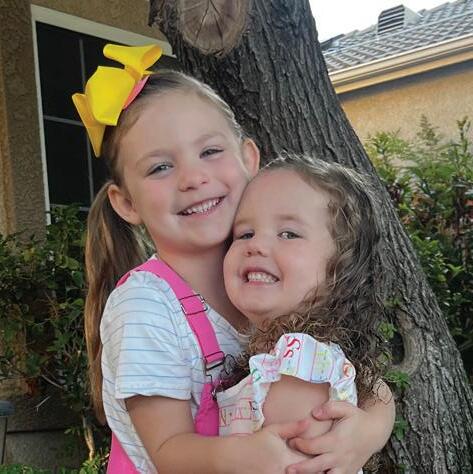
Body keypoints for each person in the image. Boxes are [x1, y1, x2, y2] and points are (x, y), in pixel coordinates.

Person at [75, 43, 394, 473]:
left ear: (248, 158)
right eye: (160, 168)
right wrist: (245, 456)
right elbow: (167, 450)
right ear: (127, 202)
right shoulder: (146, 306)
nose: (193, 178)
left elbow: (366, 379)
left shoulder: (264, 277)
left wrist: (368, 430)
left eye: (209, 152)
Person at [220, 155, 395, 473]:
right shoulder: (291, 357)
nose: (255, 245)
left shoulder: (300, 368)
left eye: (288, 234)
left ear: (341, 268)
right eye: (244, 233)